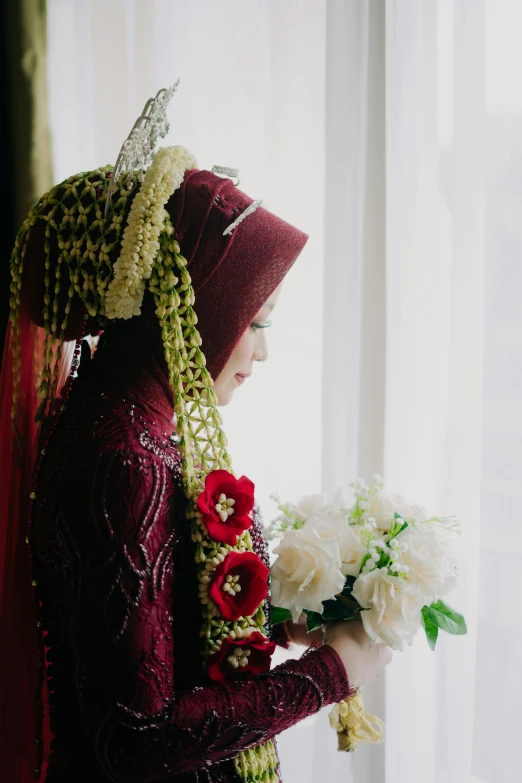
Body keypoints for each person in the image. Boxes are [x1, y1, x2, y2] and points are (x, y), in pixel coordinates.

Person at [0, 134, 391, 782]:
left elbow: (154, 628)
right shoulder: (124, 462)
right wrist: (332, 673)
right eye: (257, 320)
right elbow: (136, 734)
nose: (261, 353)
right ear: (200, 304)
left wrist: (270, 619)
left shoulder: (120, 420)